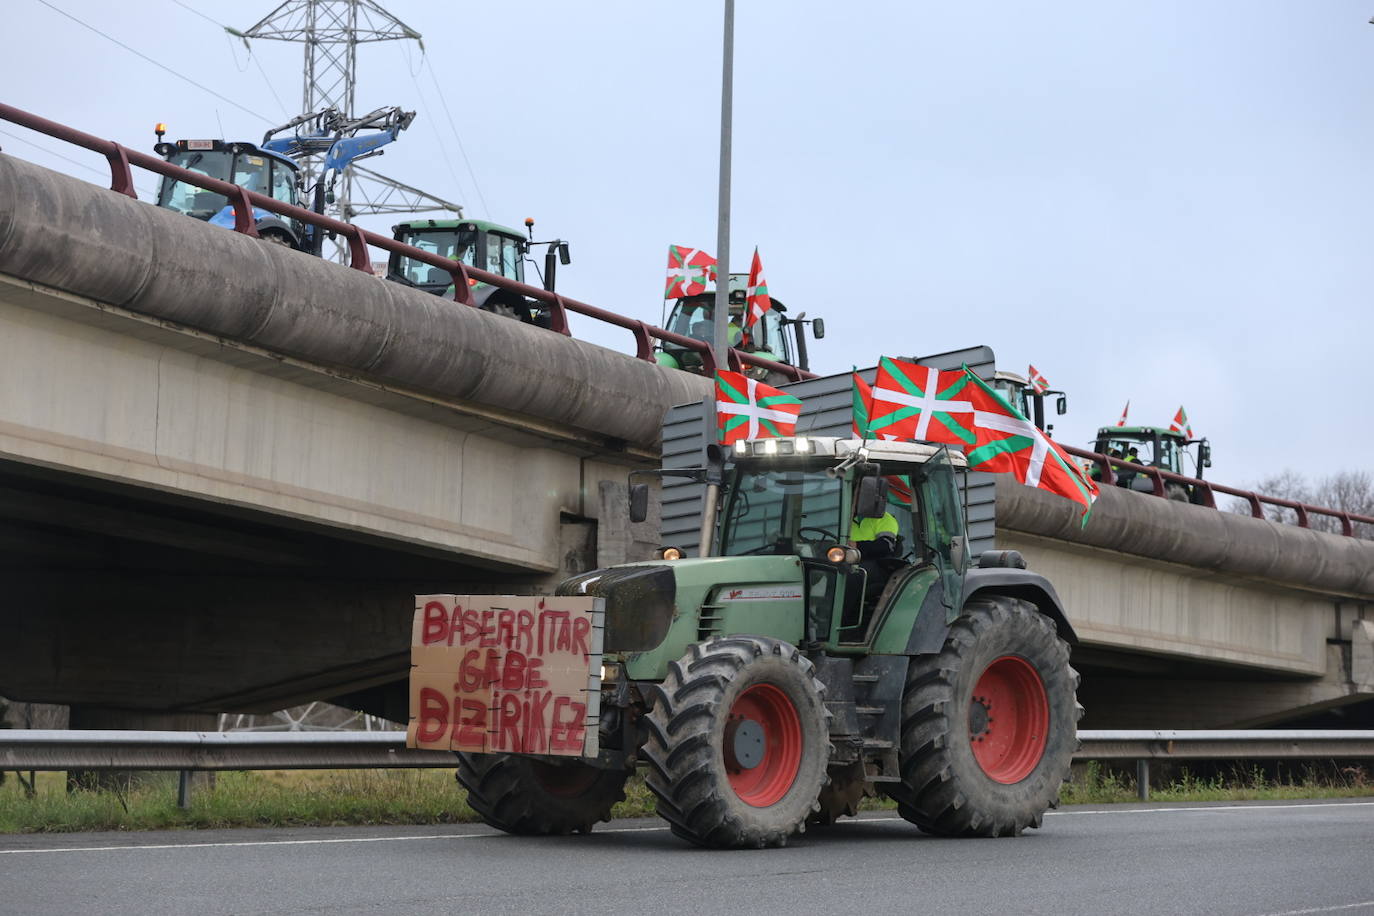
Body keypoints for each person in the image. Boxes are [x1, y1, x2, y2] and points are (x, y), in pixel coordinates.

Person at [850, 511, 900, 601]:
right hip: (847, 564)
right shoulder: (845, 521)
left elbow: (886, 546)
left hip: (877, 566)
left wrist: (857, 546)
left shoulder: (884, 518)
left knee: (852, 577)